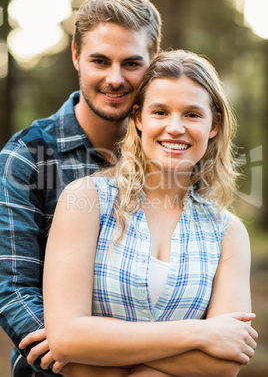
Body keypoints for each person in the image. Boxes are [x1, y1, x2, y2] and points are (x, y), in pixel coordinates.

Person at [20, 50, 258, 376]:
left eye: (192, 114)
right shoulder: (87, 201)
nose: (175, 127)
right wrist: (200, 334)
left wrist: (97, 350)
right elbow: (66, 339)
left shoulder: (228, 232)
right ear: (138, 118)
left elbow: (227, 362)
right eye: (160, 111)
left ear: (214, 124)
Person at [0, 0, 162, 376]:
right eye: (100, 61)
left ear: (154, 62)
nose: (115, 78)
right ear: (76, 56)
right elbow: (14, 292)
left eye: (132, 63)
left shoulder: (173, 158)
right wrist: (99, 362)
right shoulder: (27, 158)